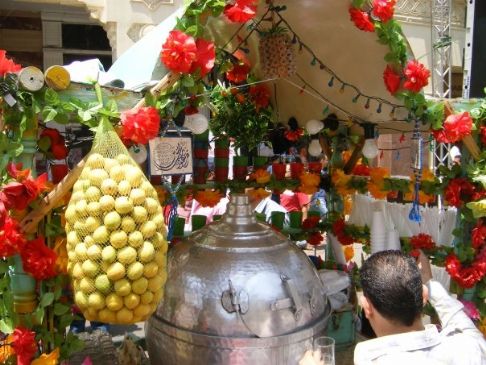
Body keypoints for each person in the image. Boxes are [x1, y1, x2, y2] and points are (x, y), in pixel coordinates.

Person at [354, 250, 486, 365]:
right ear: (424, 296)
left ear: (366, 306)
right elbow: (467, 329)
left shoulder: (367, 358)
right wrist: (429, 282)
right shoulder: (468, 349)